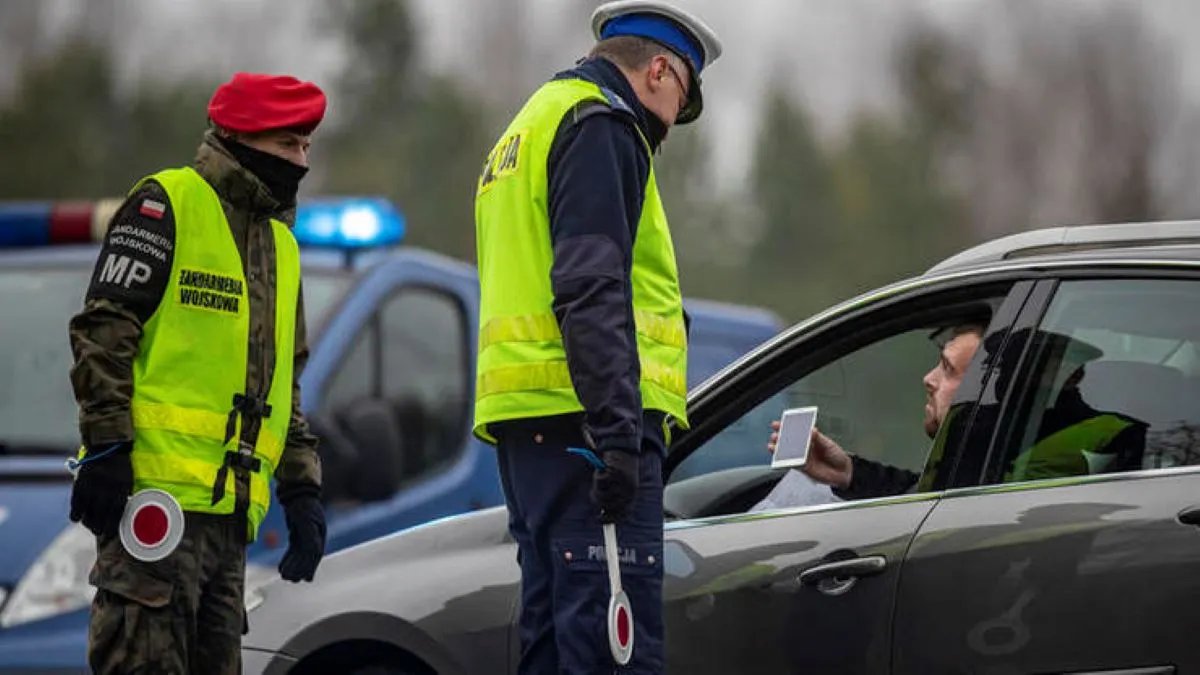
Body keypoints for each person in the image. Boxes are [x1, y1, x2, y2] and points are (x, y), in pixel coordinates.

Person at [472, 2, 721, 672]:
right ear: (660, 70)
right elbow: (590, 288)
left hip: (533, 428)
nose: (668, 129)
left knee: (556, 643)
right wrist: (617, 433)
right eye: (680, 102)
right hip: (587, 427)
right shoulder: (602, 127)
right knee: (614, 652)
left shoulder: (526, 128)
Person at [67, 72, 328, 675]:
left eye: (307, 147)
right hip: (153, 517)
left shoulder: (282, 248)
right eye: (290, 146)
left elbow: (281, 384)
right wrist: (106, 444)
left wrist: (301, 487)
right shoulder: (166, 204)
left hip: (229, 527)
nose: (302, 162)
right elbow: (104, 331)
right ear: (244, 138)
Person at [767, 325, 1145, 502]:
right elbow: (922, 497)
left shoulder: (991, 441)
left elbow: (924, 514)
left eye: (948, 370)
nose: (927, 379)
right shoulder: (1001, 445)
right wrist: (847, 472)